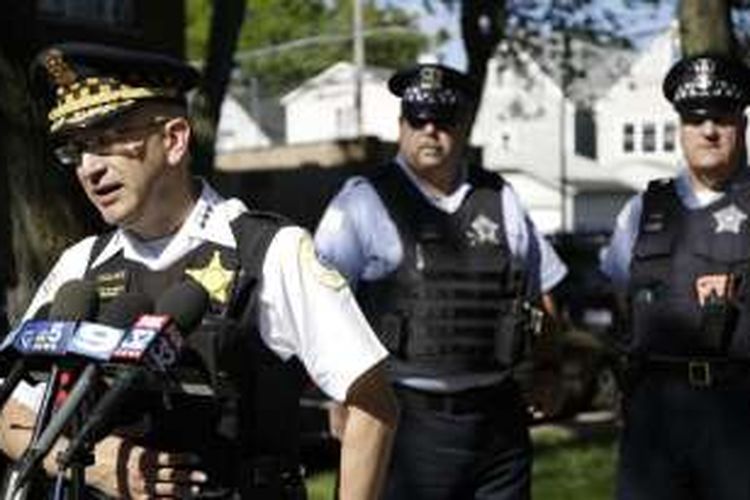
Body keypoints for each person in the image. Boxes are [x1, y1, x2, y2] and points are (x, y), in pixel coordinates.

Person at [0, 43, 397, 499]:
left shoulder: (271, 253)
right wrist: (93, 463)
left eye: (108, 140)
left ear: (173, 140)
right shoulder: (80, 265)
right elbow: (10, 410)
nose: (90, 167)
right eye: (78, 149)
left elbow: (373, 401)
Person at [314, 63, 567, 500]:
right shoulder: (363, 201)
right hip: (401, 417)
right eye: (418, 118)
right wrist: (336, 394)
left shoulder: (501, 198)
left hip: (496, 423)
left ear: (464, 126)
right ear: (401, 125)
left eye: (444, 119)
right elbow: (320, 308)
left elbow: (541, 290)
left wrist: (548, 368)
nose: (430, 130)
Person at [601, 53, 750, 500]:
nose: (709, 130)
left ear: (742, 125)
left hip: (740, 414)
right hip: (655, 416)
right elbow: (621, 302)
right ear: (680, 128)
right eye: (696, 119)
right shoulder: (642, 212)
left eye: (722, 118)